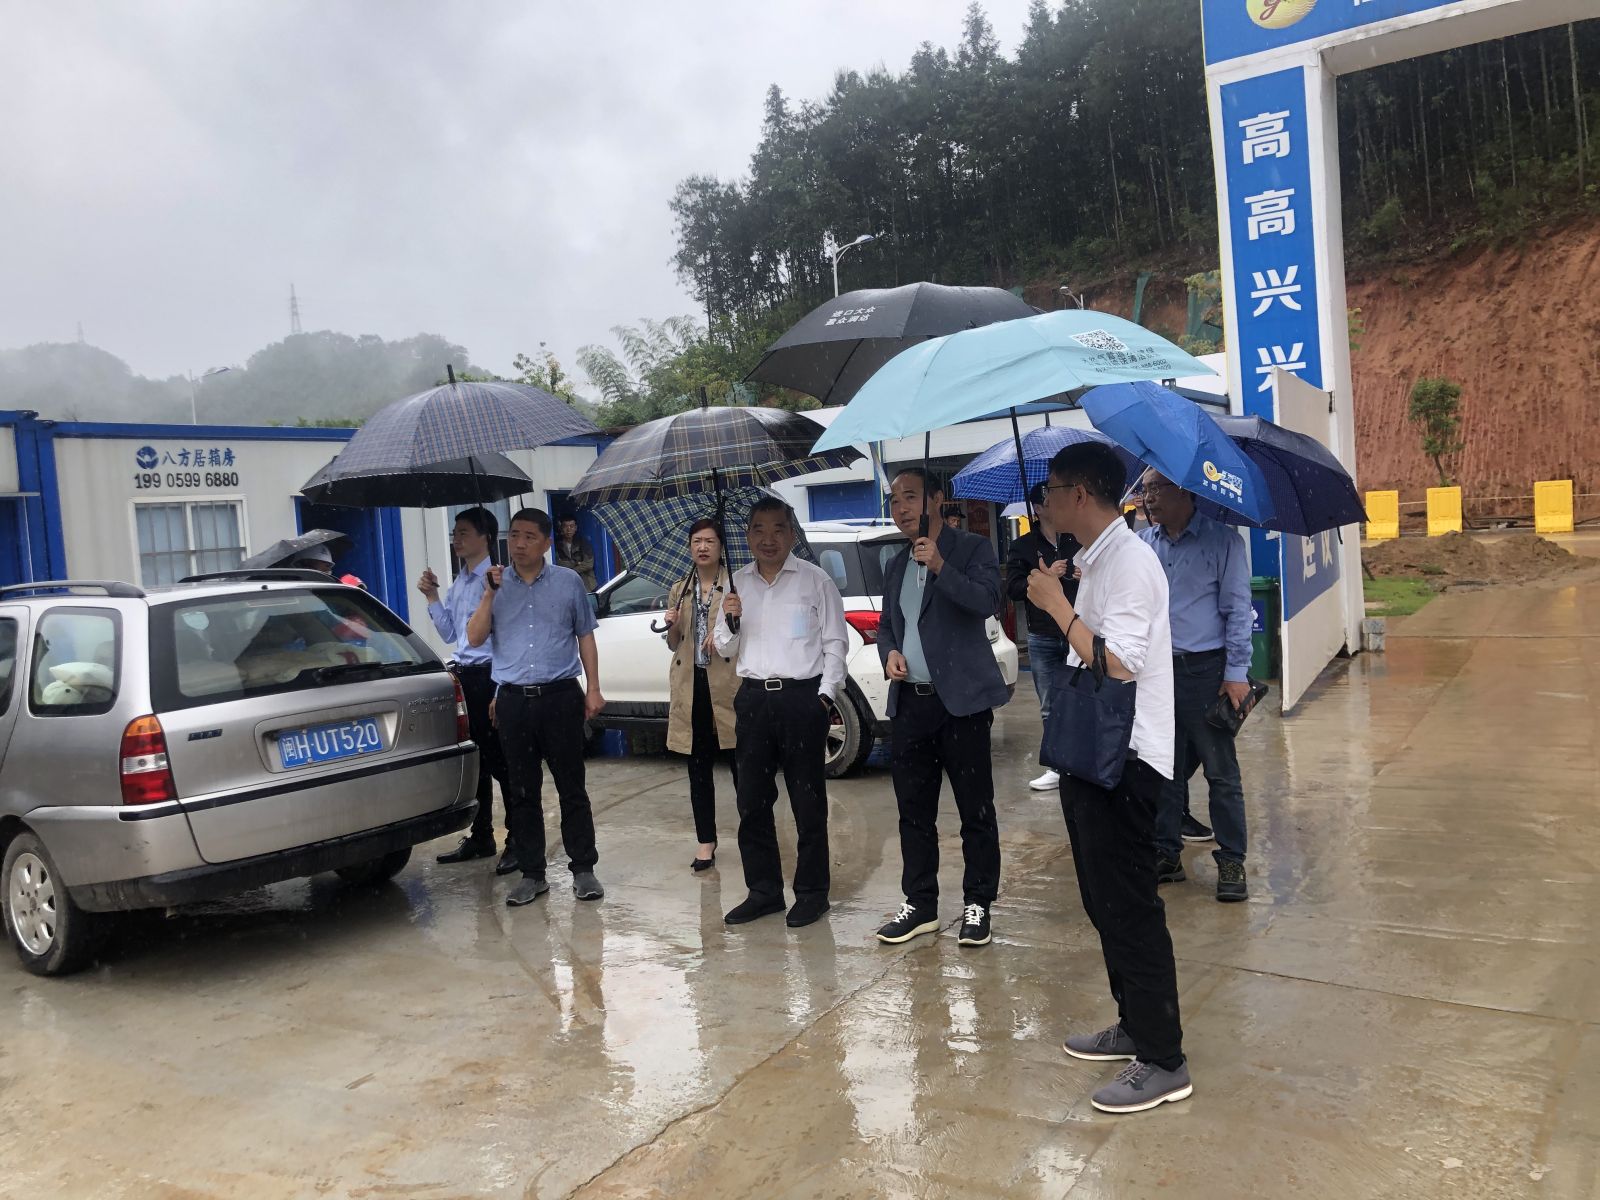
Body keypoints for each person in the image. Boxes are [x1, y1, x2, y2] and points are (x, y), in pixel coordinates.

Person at [1025, 442, 1190, 1115]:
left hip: (1126, 760)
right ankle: (1135, 1025)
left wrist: (1057, 607)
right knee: (1103, 902)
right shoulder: (1097, 560)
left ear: (1080, 495)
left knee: (1130, 907)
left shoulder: (1131, 563)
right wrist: (1063, 592)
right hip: (1094, 755)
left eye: (1051, 490)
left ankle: (1165, 1058)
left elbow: (1118, 663)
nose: (1044, 502)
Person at [873, 469, 1009, 948]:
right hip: (911, 705)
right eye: (895, 501)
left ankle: (978, 903)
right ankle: (920, 903)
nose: (901, 509)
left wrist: (940, 567)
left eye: (910, 497)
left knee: (975, 810)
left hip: (962, 706)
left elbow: (986, 601)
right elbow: (887, 627)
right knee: (913, 812)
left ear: (936, 498)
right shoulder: (895, 564)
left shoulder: (971, 549)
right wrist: (888, 652)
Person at [713, 497, 848, 929]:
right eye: (758, 529)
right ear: (747, 535)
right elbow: (724, 648)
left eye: (777, 529)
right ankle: (763, 891)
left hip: (802, 698)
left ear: (791, 534)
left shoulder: (815, 580)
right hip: (753, 700)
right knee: (752, 801)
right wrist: (730, 619)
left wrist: (824, 697)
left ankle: (812, 893)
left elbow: (835, 643)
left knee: (807, 801)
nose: (768, 538)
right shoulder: (736, 585)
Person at [466, 508, 607, 907]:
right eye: (514, 535)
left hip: (560, 697)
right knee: (522, 790)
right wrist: (490, 593)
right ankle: (532, 874)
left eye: (529, 536)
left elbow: (585, 636)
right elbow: (474, 639)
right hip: (513, 701)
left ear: (546, 543)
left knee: (571, 787)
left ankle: (583, 868)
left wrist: (594, 689)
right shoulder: (493, 583)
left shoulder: (568, 582)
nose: (520, 544)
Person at [1137, 468, 1254, 902]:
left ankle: (1232, 860)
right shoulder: (1142, 546)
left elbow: (1238, 610)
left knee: (1220, 771)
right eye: (1145, 490)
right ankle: (1167, 854)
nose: (1148, 498)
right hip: (1155, 673)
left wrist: (1236, 673)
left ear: (1184, 491)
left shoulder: (1223, 542)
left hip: (1206, 673)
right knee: (1162, 768)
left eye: (1156, 488)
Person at [420, 507, 515, 874]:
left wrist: (500, 689)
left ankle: (518, 838)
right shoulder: (460, 582)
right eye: (454, 532)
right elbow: (450, 634)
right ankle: (482, 835)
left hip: (490, 676)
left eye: (463, 532)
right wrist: (433, 596)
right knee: (476, 761)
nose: (456, 539)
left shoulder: (496, 581)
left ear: (485, 537)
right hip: (464, 676)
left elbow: (505, 638)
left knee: (502, 761)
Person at [663, 519, 739, 872]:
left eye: (710, 540)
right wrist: (672, 623)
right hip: (692, 687)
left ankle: (754, 832)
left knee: (741, 764)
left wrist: (727, 626)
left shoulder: (735, 586)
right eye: (696, 541)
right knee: (698, 767)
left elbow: (744, 634)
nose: (703, 547)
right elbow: (673, 643)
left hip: (728, 686)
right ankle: (706, 840)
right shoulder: (680, 589)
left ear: (721, 546)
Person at [1006, 482, 1081, 793]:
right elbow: (1013, 588)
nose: (1057, 502)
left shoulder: (1076, 539)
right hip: (1043, 635)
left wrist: (1081, 574)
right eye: (1051, 499)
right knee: (1050, 704)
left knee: (1082, 700)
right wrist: (1042, 577)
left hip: (1077, 630)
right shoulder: (1023, 546)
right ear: (1038, 508)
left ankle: (1083, 761)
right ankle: (1057, 766)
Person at [554, 513, 598, 591]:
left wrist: (571, 571)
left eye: (571, 526)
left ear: (576, 528)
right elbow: (558, 564)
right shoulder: (557, 545)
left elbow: (589, 564)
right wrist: (577, 563)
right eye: (565, 526)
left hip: (587, 585)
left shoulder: (583, 542)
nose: (569, 529)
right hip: (567, 586)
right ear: (561, 528)